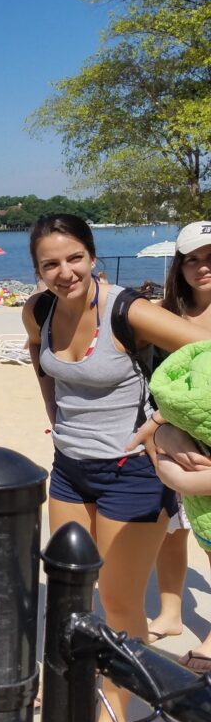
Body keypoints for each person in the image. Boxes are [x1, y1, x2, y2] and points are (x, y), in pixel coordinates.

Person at [22, 214, 206, 722]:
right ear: (38, 269)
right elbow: (40, 357)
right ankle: (70, 685)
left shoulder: (129, 309)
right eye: (50, 263)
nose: (65, 272)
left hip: (132, 475)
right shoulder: (38, 309)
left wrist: (163, 421)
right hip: (69, 471)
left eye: (75, 258)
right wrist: (55, 417)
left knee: (120, 603)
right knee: (69, 591)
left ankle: (114, 716)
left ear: (93, 255)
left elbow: (203, 351)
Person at [140, 221, 211, 665]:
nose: (203, 267)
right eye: (193, 259)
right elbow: (152, 380)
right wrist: (162, 428)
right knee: (172, 527)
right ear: (180, 266)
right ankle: (170, 612)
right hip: (171, 439)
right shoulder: (162, 315)